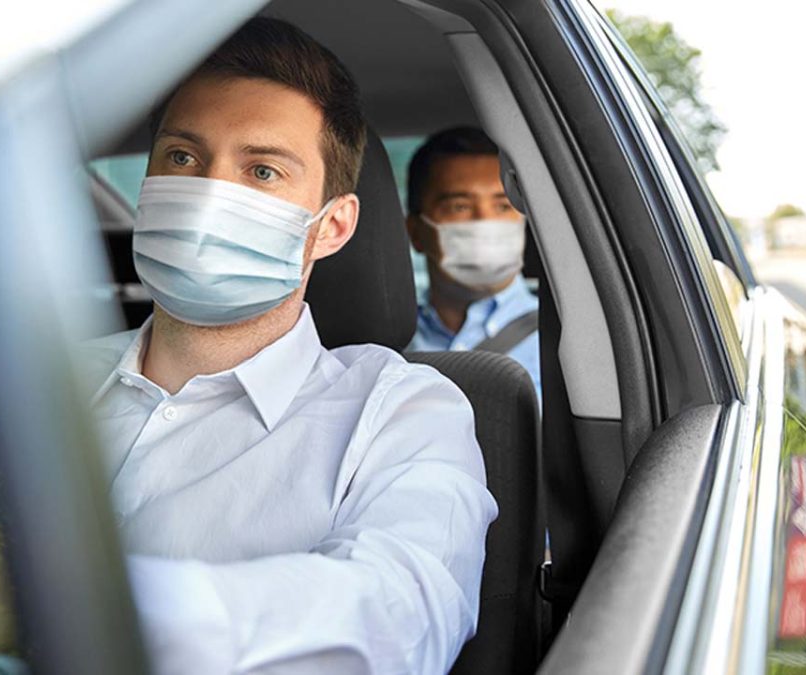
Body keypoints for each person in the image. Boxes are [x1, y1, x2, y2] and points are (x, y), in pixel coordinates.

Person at [76, 18, 497, 674]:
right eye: (183, 157)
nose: (210, 192)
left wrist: (52, 606)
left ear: (332, 226)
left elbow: (397, 614)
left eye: (263, 170)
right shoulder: (40, 378)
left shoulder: (401, 411)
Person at [405, 127, 541, 394]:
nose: (484, 221)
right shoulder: (384, 345)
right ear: (416, 232)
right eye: (460, 207)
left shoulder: (564, 342)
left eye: (503, 206)